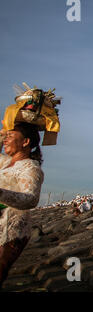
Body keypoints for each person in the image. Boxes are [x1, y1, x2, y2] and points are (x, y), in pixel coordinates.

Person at [0, 123, 44, 287]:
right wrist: (4, 132)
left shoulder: (31, 167)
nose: (6, 140)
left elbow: (31, 199)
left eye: (11, 137)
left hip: (11, 230)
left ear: (25, 142)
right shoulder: (6, 163)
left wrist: (1, 194)